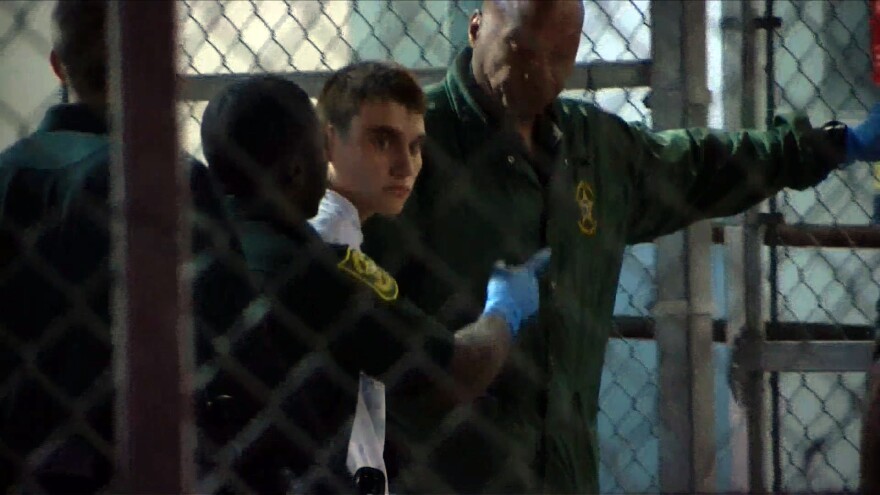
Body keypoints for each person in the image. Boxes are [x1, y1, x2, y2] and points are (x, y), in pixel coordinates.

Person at [361, 0, 880, 492]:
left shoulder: (592, 151)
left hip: (563, 473)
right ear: (477, 27)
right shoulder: (413, 147)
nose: (537, 72)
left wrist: (831, 145)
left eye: (559, 56)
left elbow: (700, 162)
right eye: (521, 49)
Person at [198, 74, 549, 493]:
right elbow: (453, 370)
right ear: (320, 149)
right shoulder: (316, 259)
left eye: (416, 146)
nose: (406, 164)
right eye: (382, 141)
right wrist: (505, 306)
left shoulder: (207, 246)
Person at [0, 1, 257, 492]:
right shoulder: (167, 183)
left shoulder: (7, 177)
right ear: (165, 66)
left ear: (57, 64)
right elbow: (237, 352)